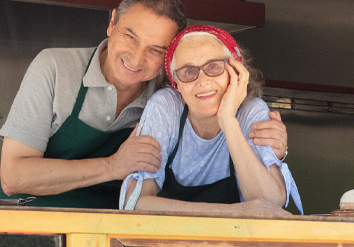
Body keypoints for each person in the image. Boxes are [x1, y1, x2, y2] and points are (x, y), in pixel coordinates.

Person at [0, 0, 290, 208]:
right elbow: (13, 177)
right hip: (31, 224)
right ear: (112, 23)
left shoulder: (169, 93)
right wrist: (113, 165)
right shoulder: (55, 69)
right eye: (130, 36)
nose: (136, 59)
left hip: (109, 234)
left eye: (156, 50)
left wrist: (272, 144)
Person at [117, 26, 300, 215]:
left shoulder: (251, 112)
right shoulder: (166, 107)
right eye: (188, 72)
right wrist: (233, 212)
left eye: (213, 67)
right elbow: (133, 202)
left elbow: (271, 204)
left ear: (236, 72)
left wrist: (228, 121)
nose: (202, 81)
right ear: (176, 83)